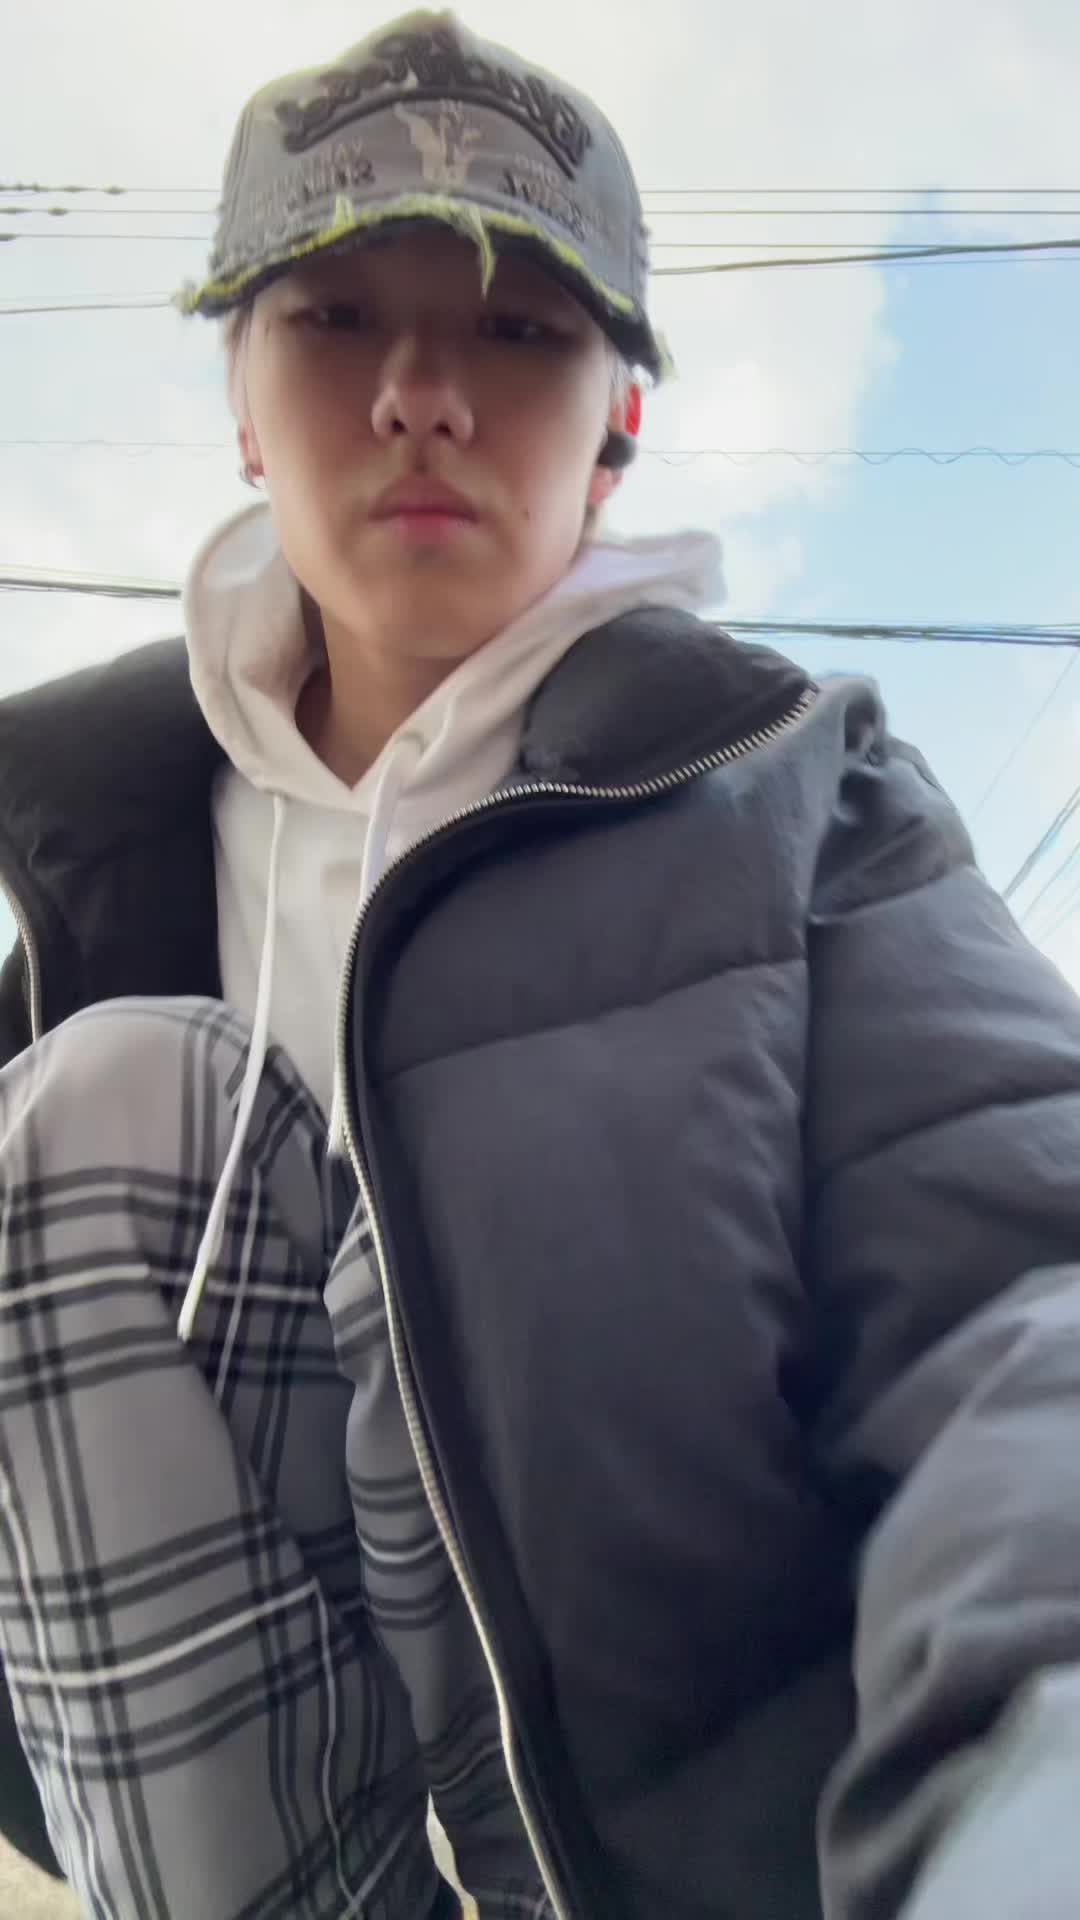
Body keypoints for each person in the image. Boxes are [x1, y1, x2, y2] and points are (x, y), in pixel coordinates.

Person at [1, 10, 1079, 1918]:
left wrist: (1028, 1803)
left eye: (519, 330)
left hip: (737, 1858)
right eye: (337, 316)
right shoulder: (88, 869)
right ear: (243, 404)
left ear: (616, 431)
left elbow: (1017, 1286)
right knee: (101, 1104)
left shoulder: (799, 799)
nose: (422, 393)